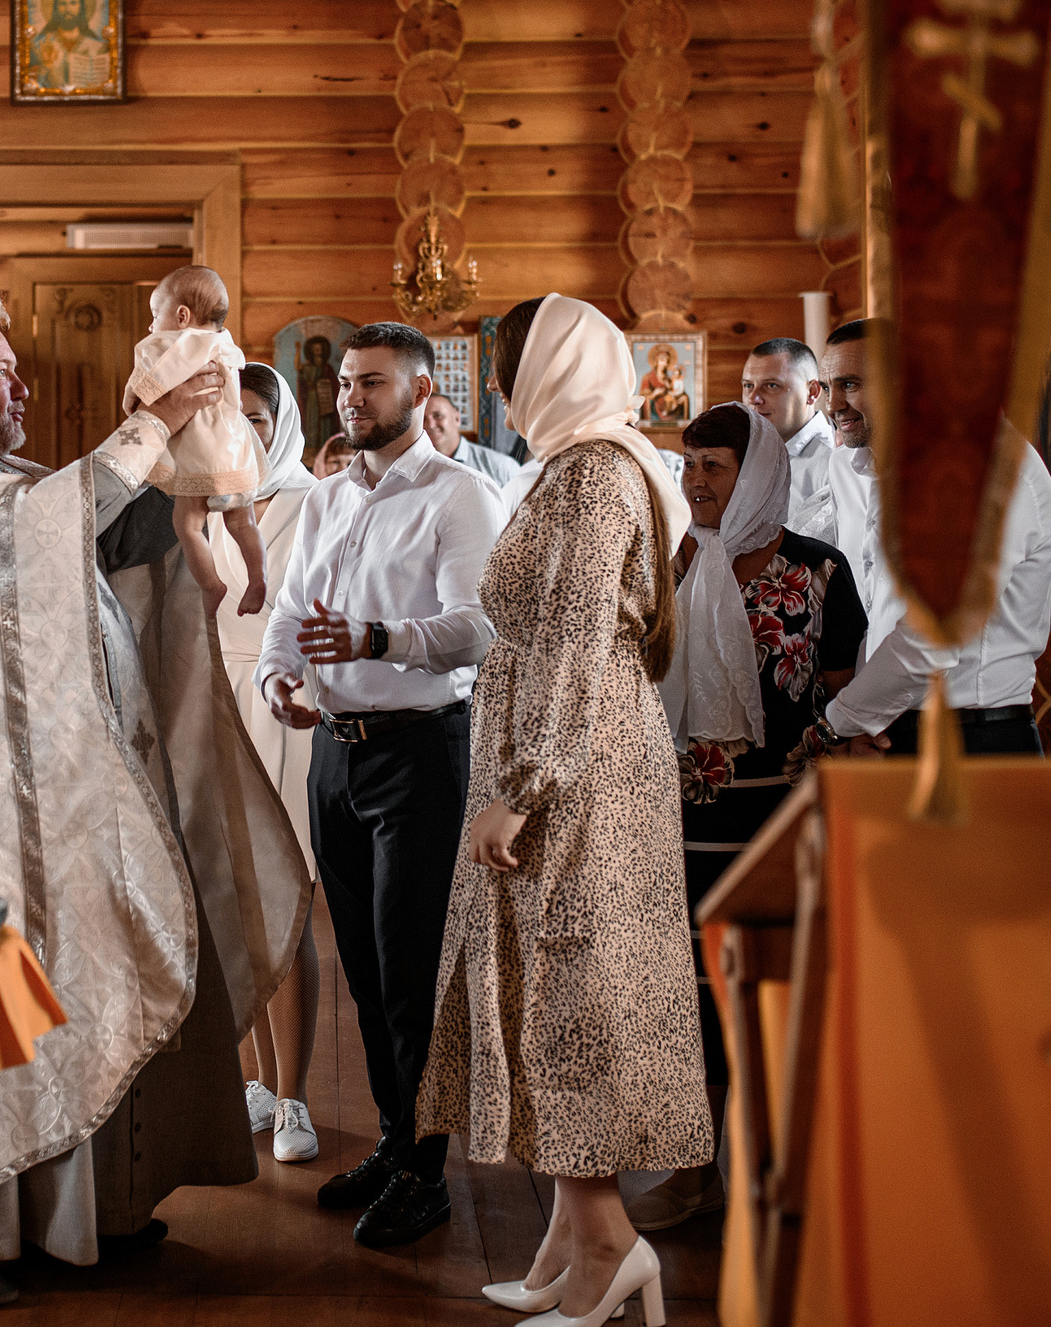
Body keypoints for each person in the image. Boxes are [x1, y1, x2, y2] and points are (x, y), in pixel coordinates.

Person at [0, 291, 308, 1304]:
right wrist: (151, 422)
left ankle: (92, 1214)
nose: (18, 381)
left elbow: (89, 531)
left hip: (50, 791)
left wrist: (193, 451)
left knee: (84, 978)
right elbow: (38, 524)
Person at [419, 293, 714, 1327]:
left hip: (574, 763)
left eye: (507, 365)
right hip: (570, 744)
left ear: (549, 370)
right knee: (540, 980)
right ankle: (561, 1239)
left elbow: (582, 640)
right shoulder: (583, 464)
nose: (497, 388)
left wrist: (519, 790)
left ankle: (607, 1250)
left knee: (569, 996)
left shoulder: (593, 476)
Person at [257, 322, 505, 1248]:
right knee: (362, 966)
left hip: (421, 753)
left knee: (411, 973)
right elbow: (289, 613)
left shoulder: (458, 495)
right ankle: (398, 1141)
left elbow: (477, 628)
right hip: (335, 752)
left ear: (415, 388)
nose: (349, 398)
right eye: (344, 385)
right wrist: (277, 677)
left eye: (369, 384)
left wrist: (377, 641)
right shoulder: (324, 498)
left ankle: (428, 1173)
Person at [653, 400, 868, 1231]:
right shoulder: (677, 564)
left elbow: (846, 683)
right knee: (689, 989)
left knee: (775, 981)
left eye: (715, 466)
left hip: (780, 812)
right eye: (690, 464)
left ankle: (777, 1166)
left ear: (760, 474)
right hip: (683, 813)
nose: (696, 481)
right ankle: (690, 1166)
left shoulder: (819, 571)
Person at [808, 319, 1051, 758]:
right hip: (892, 729)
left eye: (851, 384)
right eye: (827, 387)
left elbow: (929, 637)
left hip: (972, 741)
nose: (834, 404)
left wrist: (840, 723)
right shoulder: (869, 467)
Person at [213, 364, 324, 1166]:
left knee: (286, 907)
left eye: (258, 414)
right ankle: (255, 1079)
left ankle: (296, 1094)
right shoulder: (207, 498)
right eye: (233, 414)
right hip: (218, 695)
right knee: (239, 908)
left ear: (281, 422)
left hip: (284, 703)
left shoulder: (314, 501)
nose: (245, 428)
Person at [125, 264, 266, 615]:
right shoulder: (225, 343)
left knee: (187, 525)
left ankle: (212, 586)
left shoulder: (175, 343)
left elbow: (158, 375)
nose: (151, 325)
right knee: (241, 521)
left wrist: (134, 396)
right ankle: (258, 577)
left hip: (202, 447)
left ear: (182, 316)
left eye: (156, 314)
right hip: (235, 443)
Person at [741, 336, 836, 541]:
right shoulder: (750, 453)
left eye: (771, 386)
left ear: (812, 392)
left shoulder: (831, 461)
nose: (753, 399)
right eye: (748, 386)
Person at [422, 392, 520, 488]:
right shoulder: (411, 469)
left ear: (457, 418)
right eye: (423, 419)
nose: (430, 425)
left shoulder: (503, 467)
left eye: (438, 416)